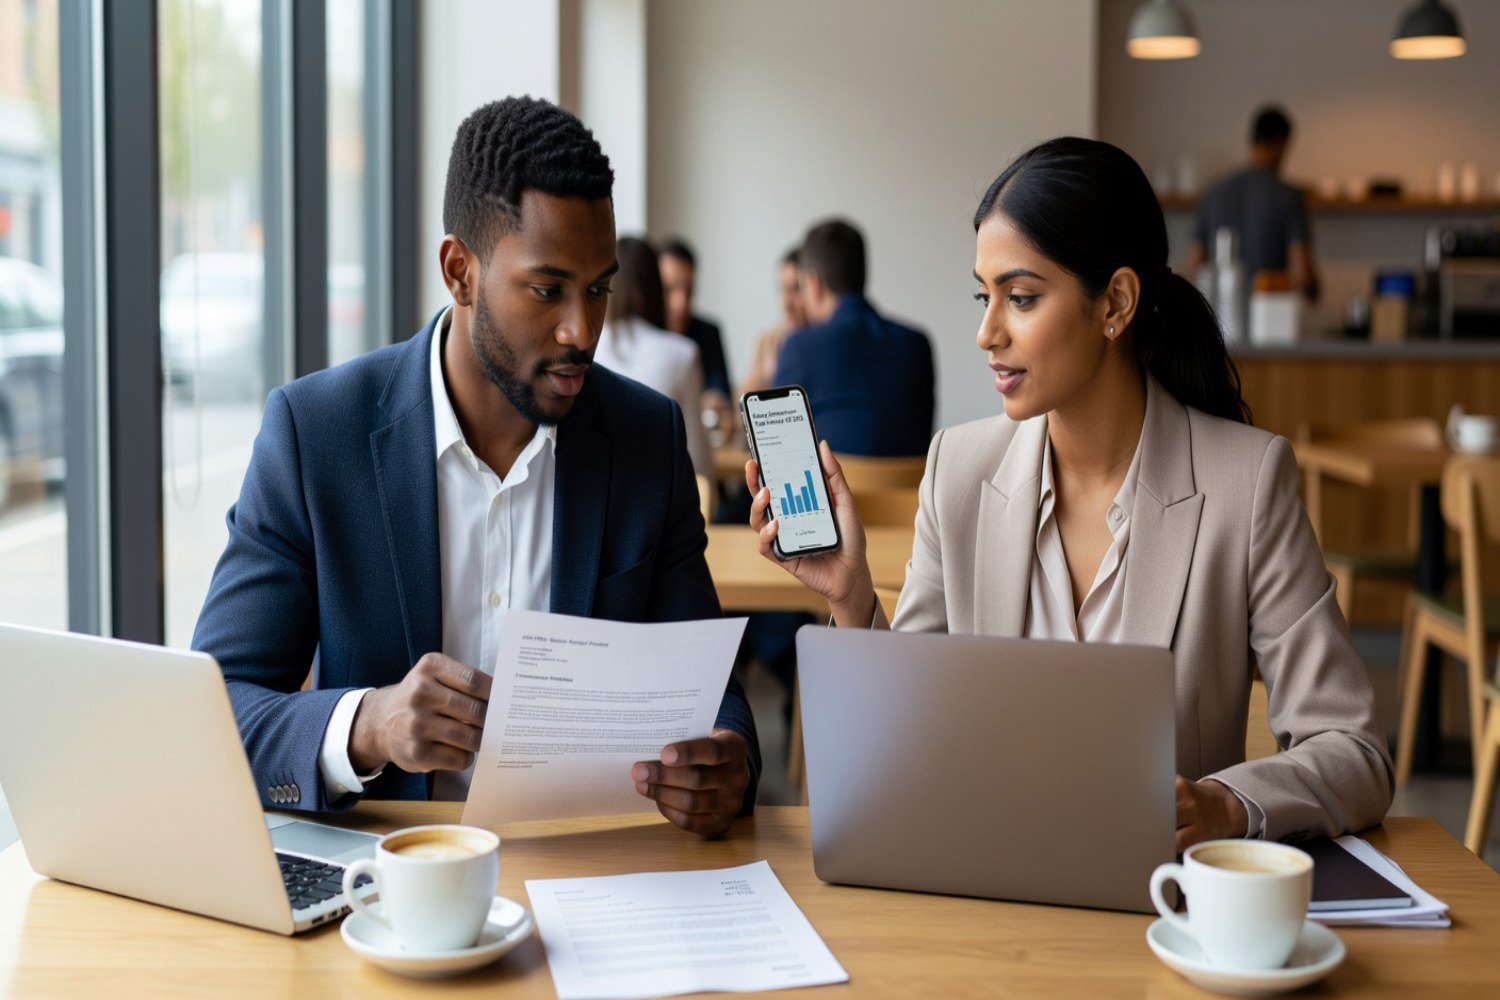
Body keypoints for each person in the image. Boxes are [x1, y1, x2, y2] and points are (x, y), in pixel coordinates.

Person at [747, 137, 1391, 850]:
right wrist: (851, 596)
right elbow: (908, 738)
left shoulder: (1248, 481)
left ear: (1114, 303)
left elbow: (1353, 750)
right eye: (982, 295)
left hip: (1160, 915)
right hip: (992, 897)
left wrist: (1224, 806)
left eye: (1020, 298)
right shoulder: (957, 470)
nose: (987, 332)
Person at [194, 97, 759, 839]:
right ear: (460, 271)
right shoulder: (315, 434)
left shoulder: (645, 437)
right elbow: (215, 710)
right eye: (547, 289)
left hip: (589, 874)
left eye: (598, 289)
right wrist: (367, 724)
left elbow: (709, 689)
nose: (580, 330)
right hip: (385, 886)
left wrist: (729, 762)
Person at [774, 219, 935, 457]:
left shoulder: (799, 347)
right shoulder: (917, 345)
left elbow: (779, 453)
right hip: (906, 494)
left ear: (814, 284)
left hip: (831, 494)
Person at [595, 237, 713, 478]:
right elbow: (699, 465)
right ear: (655, 287)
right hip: (660, 506)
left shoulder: (589, 347)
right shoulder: (683, 353)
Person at [1185, 105, 1320, 302]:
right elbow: (1303, 276)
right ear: (1280, 142)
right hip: (1269, 320)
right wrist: (1314, 290)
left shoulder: (1214, 193)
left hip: (1219, 319)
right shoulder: (1289, 197)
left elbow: (1193, 268)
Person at [659, 238, 734, 437]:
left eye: (688, 289)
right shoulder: (644, 338)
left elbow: (720, 398)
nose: (681, 302)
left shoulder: (708, 333)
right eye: (670, 289)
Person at [735, 248, 807, 401]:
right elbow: (740, 407)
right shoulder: (766, 341)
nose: (786, 303)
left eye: (795, 289)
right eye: (782, 289)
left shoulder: (825, 343)